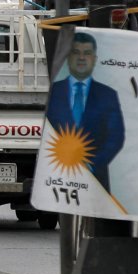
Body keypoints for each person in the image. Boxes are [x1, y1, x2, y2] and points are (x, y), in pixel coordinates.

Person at [44, 31, 125, 193]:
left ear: (94, 59)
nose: (82, 58)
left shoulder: (107, 95)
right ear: (68, 57)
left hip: (96, 180)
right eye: (76, 52)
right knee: (63, 218)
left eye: (87, 53)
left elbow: (116, 137)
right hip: (59, 180)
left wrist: (92, 164)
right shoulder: (54, 92)